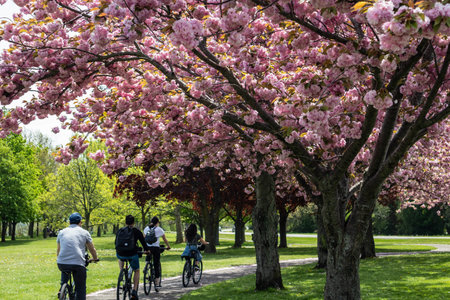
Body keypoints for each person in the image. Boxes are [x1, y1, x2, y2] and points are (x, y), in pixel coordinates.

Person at [57, 212, 98, 300]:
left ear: (69, 222)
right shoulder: (84, 232)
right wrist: (95, 258)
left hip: (61, 262)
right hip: (78, 263)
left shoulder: (61, 232)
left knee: (65, 268)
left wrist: (59, 259)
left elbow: (58, 250)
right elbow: (92, 249)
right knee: (80, 287)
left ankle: (62, 289)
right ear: (80, 222)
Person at [115, 215, 150, 300]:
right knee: (137, 270)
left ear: (125, 222)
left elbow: (115, 243)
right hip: (132, 254)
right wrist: (147, 251)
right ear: (133, 222)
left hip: (120, 253)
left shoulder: (120, 230)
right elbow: (143, 243)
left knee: (120, 256)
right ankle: (134, 291)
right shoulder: (136, 231)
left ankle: (122, 272)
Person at [143, 216, 171, 287]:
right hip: (155, 248)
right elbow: (164, 239)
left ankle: (146, 266)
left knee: (148, 255)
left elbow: (144, 238)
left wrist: (145, 247)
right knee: (156, 264)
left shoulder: (146, 228)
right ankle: (157, 281)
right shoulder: (159, 229)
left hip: (148, 247)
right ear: (157, 222)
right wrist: (168, 246)